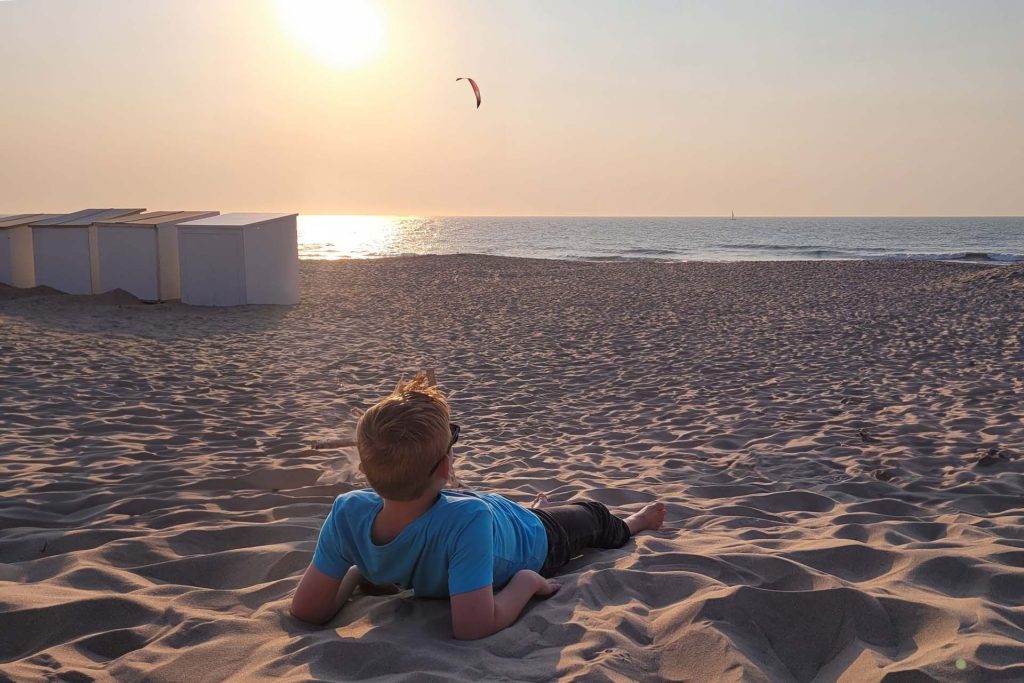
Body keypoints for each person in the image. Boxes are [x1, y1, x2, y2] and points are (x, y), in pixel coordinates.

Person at [289, 373, 666, 639]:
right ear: (446, 466)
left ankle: (534, 507)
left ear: (365, 468)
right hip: (536, 541)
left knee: (496, 509)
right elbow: (473, 627)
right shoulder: (466, 520)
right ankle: (635, 523)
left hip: (495, 517)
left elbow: (307, 611)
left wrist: (354, 572)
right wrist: (525, 582)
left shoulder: (348, 511)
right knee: (594, 515)